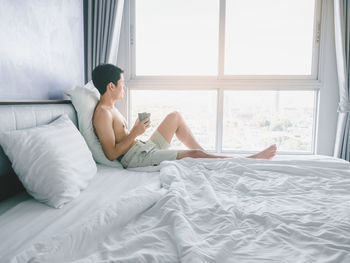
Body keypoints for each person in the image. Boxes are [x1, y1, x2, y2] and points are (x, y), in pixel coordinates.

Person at [92, 64, 277, 168]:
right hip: (136, 158)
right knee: (194, 154)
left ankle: (207, 158)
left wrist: (135, 131)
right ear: (111, 86)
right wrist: (135, 133)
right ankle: (245, 160)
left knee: (175, 116)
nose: (124, 87)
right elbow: (111, 154)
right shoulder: (102, 113)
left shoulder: (112, 108)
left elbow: (121, 138)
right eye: (122, 84)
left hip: (142, 148)